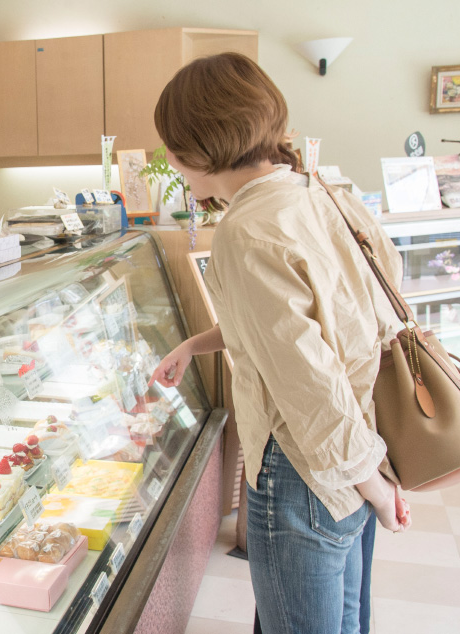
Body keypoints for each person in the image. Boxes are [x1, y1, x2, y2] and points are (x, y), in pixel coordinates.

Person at [147, 53, 411, 634]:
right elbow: (335, 321)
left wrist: (371, 484)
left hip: (308, 469)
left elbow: (307, 383)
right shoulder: (324, 193)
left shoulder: (245, 230)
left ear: (196, 148)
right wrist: (197, 343)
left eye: (170, 142)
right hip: (359, 439)